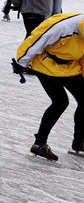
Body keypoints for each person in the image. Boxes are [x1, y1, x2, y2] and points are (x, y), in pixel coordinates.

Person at [11, 12, 84, 161]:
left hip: (70, 66)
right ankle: (39, 143)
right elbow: (37, 39)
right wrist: (21, 62)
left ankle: (79, 143)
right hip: (46, 64)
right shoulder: (63, 26)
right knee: (60, 102)